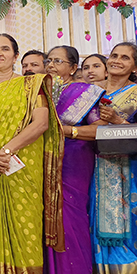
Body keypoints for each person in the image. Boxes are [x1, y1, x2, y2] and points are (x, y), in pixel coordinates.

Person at [0, 33, 63, 273]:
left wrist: (6, 152)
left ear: (15, 56)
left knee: (23, 224)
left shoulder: (31, 85)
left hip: (20, 167)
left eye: (5, 49)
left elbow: (41, 124)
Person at [43, 49, 106, 273]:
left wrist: (69, 131)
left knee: (69, 217)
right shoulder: (38, 93)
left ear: (72, 68)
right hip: (41, 161)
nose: (50, 65)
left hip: (72, 158)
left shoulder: (85, 93)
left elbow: (100, 128)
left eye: (58, 61)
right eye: (48, 60)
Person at [89, 42, 137, 273]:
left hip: (126, 168)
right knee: (90, 216)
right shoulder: (90, 90)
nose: (117, 60)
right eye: (114, 55)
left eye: (125, 58)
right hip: (88, 163)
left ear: (134, 67)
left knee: (127, 219)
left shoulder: (135, 94)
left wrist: (119, 122)